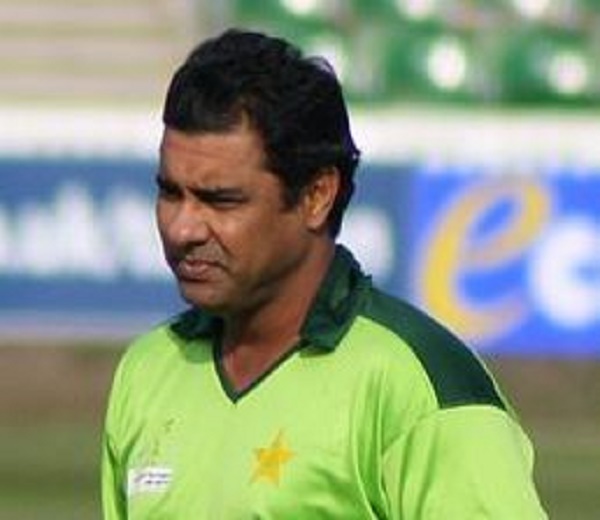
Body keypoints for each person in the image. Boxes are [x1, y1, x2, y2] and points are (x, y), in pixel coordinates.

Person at [101, 28, 548, 519]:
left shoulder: (420, 384)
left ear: (316, 196)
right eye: (170, 193)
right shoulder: (148, 370)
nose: (182, 228)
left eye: (221, 200)